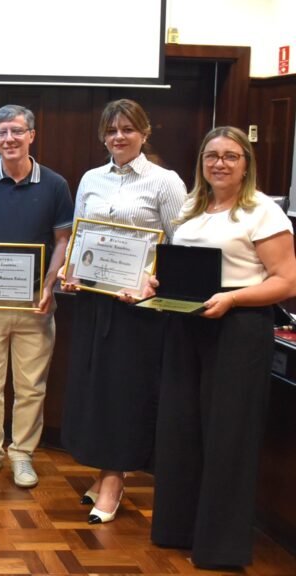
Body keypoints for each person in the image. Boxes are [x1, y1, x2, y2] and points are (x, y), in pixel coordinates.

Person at [150, 127, 296, 568]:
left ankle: (220, 547)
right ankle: (178, 529)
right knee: (181, 430)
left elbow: (286, 281)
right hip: (186, 326)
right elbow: (179, 267)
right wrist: (157, 283)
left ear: (246, 163)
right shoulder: (193, 209)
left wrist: (231, 298)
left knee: (228, 437)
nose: (220, 163)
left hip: (237, 327)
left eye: (231, 156)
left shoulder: (263, 213)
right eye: (211, 155)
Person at [60, 100, 186, 523]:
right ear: (102, 136)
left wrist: (151, 280)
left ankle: (114, 480)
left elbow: (180, 247)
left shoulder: (165, 183)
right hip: (95, 303)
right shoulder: (91, 179)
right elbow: (81, 236)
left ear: (145, 133)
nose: (119, 136)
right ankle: (104, 471)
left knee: (124, 392)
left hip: (138, 309)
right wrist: (70, 270)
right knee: (96, 388)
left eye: (128, 129)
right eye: (111, 130)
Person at [0, 105, 73, 489]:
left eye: (17, 131)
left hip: (34, 302)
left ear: (31, 135)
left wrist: (50, 286)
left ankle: (22, 454)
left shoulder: (55, 184)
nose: (9, 139)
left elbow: (62, 241)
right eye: (2, 133)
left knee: (31, 386)